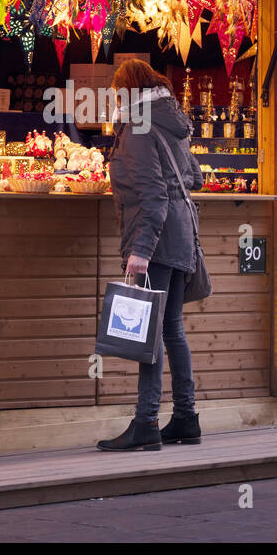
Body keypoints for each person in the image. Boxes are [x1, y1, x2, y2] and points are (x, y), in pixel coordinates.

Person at [98, 59, 204, 451]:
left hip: (157, 242)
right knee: (172, 329)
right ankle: (185, 419)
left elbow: (154, 196)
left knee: (151, 333)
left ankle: (145, 423)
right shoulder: (170, 122)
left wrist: (140, 252)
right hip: (182, 234)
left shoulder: (139, 127)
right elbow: (194, 177)